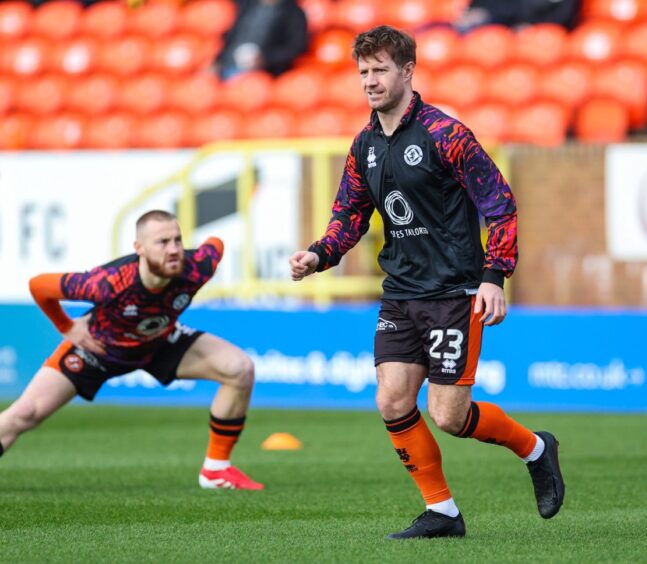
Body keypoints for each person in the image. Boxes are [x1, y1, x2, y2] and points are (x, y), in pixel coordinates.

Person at [288, 25, 565, 539]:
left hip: (455, 293)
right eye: (363, 72)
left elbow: (499, 206)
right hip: (401, 292)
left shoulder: (446, 135)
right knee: (392, 400)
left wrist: (494, 276)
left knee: (448, 415)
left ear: (408, 71)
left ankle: (536, 448)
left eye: (380, 70)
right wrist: (319, 253)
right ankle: (442, 511)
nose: (370, 81)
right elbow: (350, 213)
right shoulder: (364, 144)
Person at [0, 210, 263, 491]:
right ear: (139, 248)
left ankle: (216, 471)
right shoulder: (107, 283)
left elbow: (215, 244)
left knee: (240, 369)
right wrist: (66, 326)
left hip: (159, 342)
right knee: (25, 413)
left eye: (177, 240)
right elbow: (39, 286)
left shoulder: (197, 267)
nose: (174, 249)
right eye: (162, 242)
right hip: (97, 349)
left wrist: (194, 248)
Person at [213, 0, 308, 80]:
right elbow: (229, 34)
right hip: (227, 65)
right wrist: (218, 59)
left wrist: (265, 59)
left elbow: (296, 47)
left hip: (264, 74)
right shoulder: (245, 5)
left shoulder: (293, 13)